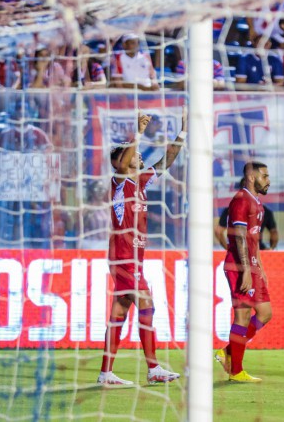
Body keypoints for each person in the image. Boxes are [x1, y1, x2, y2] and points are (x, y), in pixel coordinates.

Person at [97, 108, 186, 386]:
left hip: (132, 258)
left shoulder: (142, 181)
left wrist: (183, 131)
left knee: (120, 312)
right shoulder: (119, 182)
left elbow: (166, 161)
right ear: (121, 161)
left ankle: (106, 373)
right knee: (146, 304)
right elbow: (124, 163)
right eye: (133, 153)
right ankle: (153, 367)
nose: (138, 155)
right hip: (123, 257)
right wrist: (137, 131)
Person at [214, 162, 273, 383]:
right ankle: (236, 371)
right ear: (251, 177)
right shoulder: (240, 200)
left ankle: (228, 351)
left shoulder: (257, 203)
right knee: (243, 315)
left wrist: (260, 267)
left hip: (252, 266)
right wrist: (246, 271)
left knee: (265, 313)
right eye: (265, 176)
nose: (268, 181)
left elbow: (252, 239)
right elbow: (239, 236)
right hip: (238, 266)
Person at [214, 180, 278, 251]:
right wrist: (271, 249)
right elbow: (274, 232)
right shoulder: (265, 211)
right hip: (256, 252)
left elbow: (218, 232)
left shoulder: (230, 209)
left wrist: (229, 250)